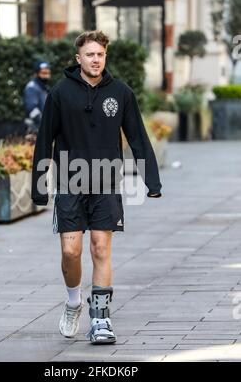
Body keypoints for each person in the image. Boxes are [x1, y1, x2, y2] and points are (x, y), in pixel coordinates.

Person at [31, 31, 162, 345]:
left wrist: (151, 181)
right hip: (69, 182)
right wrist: (39, 186)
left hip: (106, 182)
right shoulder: (61, 93)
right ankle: (74, 301)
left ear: (105, 57)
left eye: (100, 54)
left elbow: (138, 138)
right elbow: (44, 138)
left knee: (101, 249)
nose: (95, 59)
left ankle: (101, 319)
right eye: (89, 54)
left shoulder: (121, 93)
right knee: (70, 251)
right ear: (78, 58)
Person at [23, 60, 51, 139]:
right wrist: (44, 123)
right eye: (43, 73)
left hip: (42, 129)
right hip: (33, 129)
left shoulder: (44, 88)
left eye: (48, 73)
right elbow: (31, 109)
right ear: (36, 74)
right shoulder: (31, 87)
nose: (46, 76)